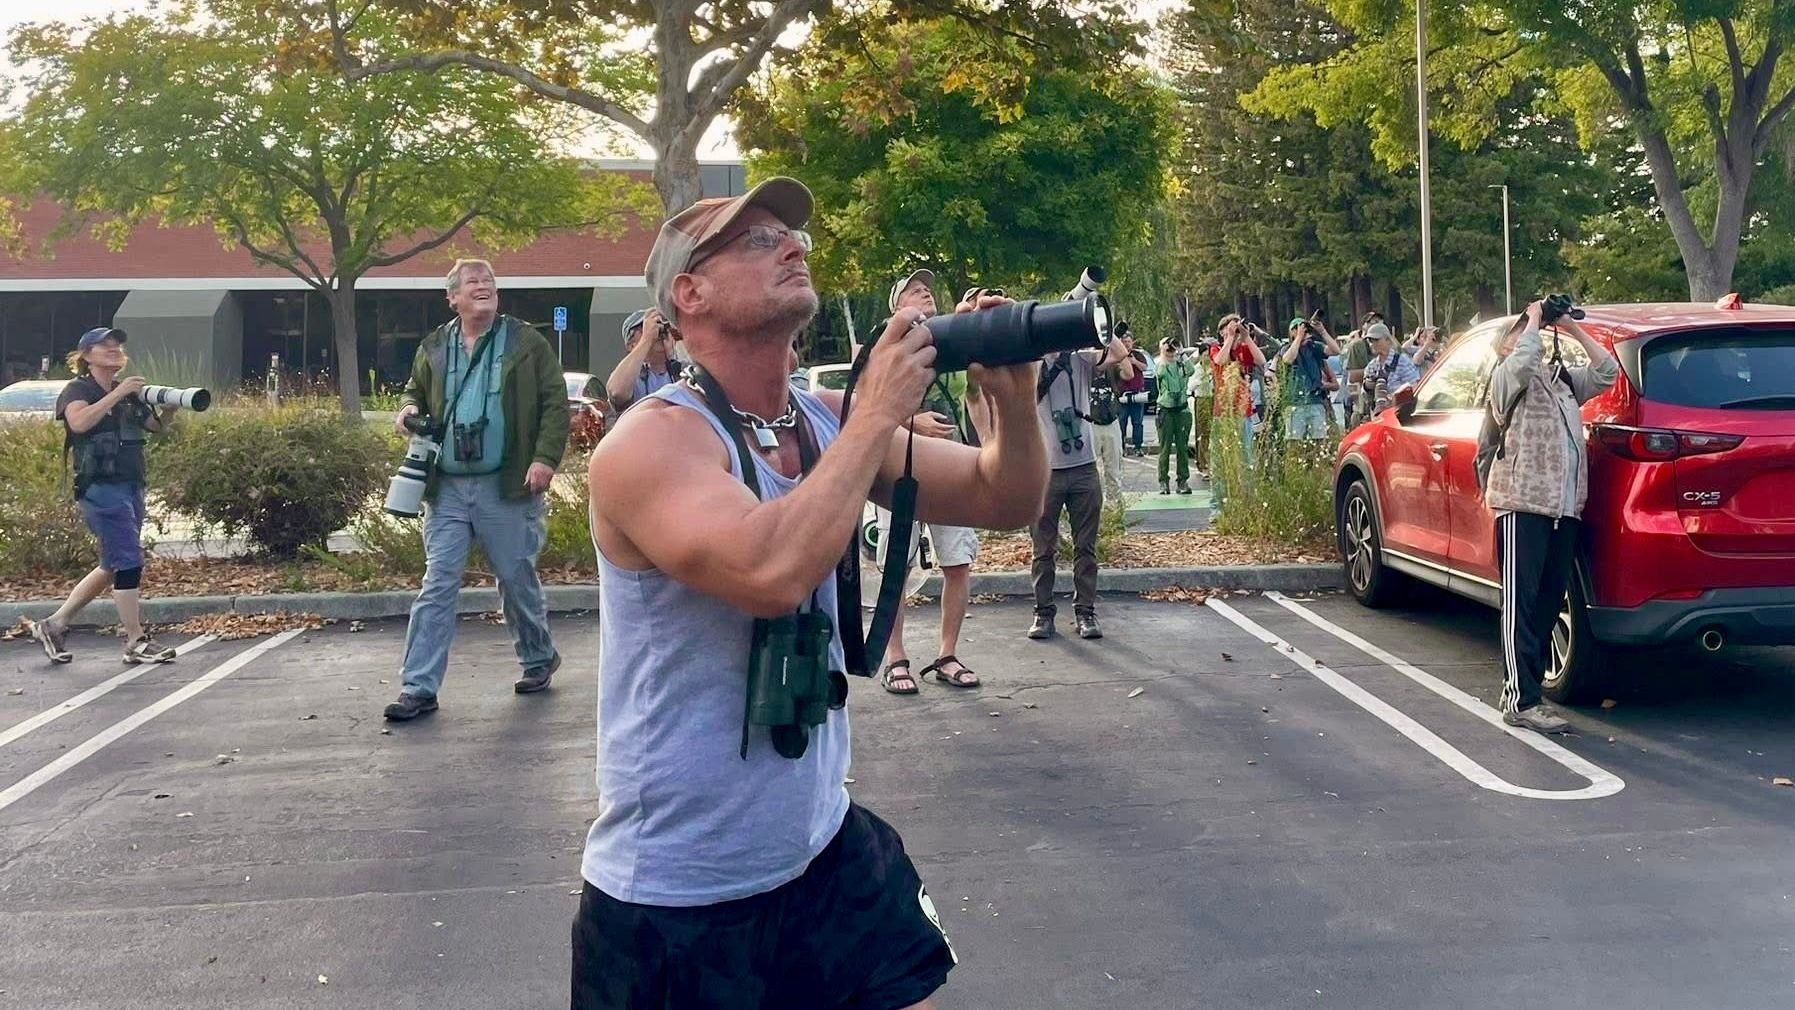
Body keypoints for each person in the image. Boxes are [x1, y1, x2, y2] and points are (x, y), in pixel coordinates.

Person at [579, 177, 1047, 1010]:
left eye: (793, 238)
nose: (792, 247)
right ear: (689, 293)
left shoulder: (821, 417)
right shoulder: (651, 443)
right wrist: (873, 419)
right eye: (756, 242)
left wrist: (1011, 399)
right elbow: (769, 574)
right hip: (680, 893)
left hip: (821, 845)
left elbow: (1001, 497)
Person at [382, 259, 569, 722]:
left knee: (515, 576)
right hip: (446, 488)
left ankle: (538, 657)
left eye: (488, 281)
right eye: (473, 283)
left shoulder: (527, 343)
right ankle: (418, 686)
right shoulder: (433, 346)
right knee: (437, 583)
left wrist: (544, 458)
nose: (483, 287)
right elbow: (414, 392)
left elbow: (554, 404)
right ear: (453, 298)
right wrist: (407, 409)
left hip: (504, 486)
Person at [1484, 299, 1617, 733]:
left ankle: (1531, 694)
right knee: (1519, 605)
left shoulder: (1560, 382)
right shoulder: (1505, 380)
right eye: (1520, 332)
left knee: (1545, 605)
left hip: (1563, 508)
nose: (1529, 336)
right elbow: (1522, 361)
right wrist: (1534, 318)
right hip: (1522, 503)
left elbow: (1606, 373)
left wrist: (1571, 328)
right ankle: (1517, 697)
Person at [25, 327, 178, 666]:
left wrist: (169, 407)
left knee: (113, 564)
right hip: (99, 487)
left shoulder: (128, 394)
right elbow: (79, 423)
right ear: (86, 356)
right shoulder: (77, 389)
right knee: (128, 560)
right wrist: (118, 392)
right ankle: (136, 640)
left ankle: (54, 625)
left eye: (117, 345)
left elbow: (155, 428)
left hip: (131, 483)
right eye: (104, 345)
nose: (113, 349)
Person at [869, 268, 986, 696]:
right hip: (899, 469)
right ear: (897, 306)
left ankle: (946, 655)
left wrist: (987, 449)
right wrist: (910, 421)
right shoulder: (884, 347)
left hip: (950, 467)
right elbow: (866, 406)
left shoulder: (951, 343)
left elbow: (973, 396)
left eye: (928, 287)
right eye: (914, 289)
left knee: (958, 563)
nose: (925, 291)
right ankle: (894, 657)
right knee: (895, 566)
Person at [1030, 319, 1130, 641]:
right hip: (1046, 470)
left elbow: (1118, 353)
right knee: (1043, 548)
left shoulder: (1081, 360)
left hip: (1084, 467)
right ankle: (1043, 613)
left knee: (1085, 547)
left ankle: (1085, 612)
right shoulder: (1032, 367)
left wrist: (1095, 324)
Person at [604, 307, 681, 413]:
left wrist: (673, 356)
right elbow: (617, 392)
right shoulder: (634, 379)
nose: (656, 331)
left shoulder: (683, 371)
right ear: (631, 345)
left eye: (659, 326)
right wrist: (647, 338)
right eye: (643, 328)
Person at [1279, 314, 1341, 440]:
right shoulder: (1286, 348)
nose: (1304, 332)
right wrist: (1298, 338)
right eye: (1298, 329)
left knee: (1318, 440)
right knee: (1295, 441)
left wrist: (1322, 332)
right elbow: (1288, 359)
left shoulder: (1313, 347)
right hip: (1295, 402)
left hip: (1315, 400)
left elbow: (1336, 350)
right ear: (1292, 332)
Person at [1089, 325, 1132, 499]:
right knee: (1093, 472)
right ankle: (1095, 509)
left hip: (1110, 419)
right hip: (1090, 420)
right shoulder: (1084, 362)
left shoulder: (1111, 365)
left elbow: (1128, 374)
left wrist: (1112, 341)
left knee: (1113, 470)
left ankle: (1114, 510)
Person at [1153, 336, 1198, 494]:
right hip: (1166, 410)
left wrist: (1181, 352)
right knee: (1164, 448)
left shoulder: (1181, 364)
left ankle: (1183, 481)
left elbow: (1192, 370)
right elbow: (1160, 373)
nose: (1170, 348)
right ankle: (1163, 481)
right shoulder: (1160, 363)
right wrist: (1165, 353)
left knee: (1182, 448)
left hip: (1181, 410)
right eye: (1167, 345)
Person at [1360, 322, 1421, 414]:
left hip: (1400, 414)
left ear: (1388, 340)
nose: (1372, 344)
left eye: (1376, 340)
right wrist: (1367, 386)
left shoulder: (1402, 361)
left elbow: (1414, 388)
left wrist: (1393, 397)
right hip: (1378, 416)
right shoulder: (1372, 366)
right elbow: (1364, 396)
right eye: (1370, 341)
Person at [1115, 323, 1149, 456]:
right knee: (1121, 421)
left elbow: (1145, 368)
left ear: (1132, 342)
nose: (1127, 344)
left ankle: (1138, 447)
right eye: (1124, 342)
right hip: (1122, 394)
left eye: (1128, 341)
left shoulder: (1138, 355)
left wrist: (1134, 362)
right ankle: (1121, 447)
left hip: (1137, 394)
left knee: (1138, 422)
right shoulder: (1117, 355)